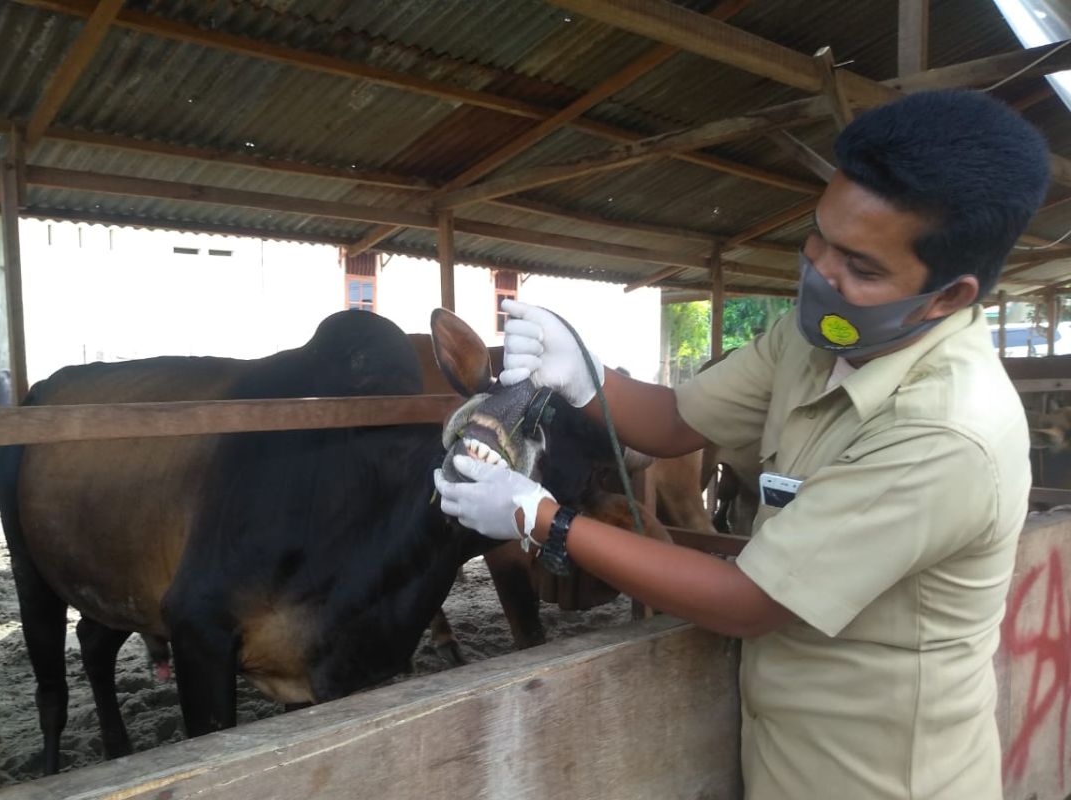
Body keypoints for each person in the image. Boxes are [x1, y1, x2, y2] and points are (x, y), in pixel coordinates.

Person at [433, 89, 1050, 800]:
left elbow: (749, 601)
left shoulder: (947, 433)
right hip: (781, 757)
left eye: (862, 267)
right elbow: (675, 423)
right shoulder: (817, 337)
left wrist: (543, 521)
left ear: (947, 296)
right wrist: (586, 376)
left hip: (883, 781)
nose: (821, 273)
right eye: (819, 238)